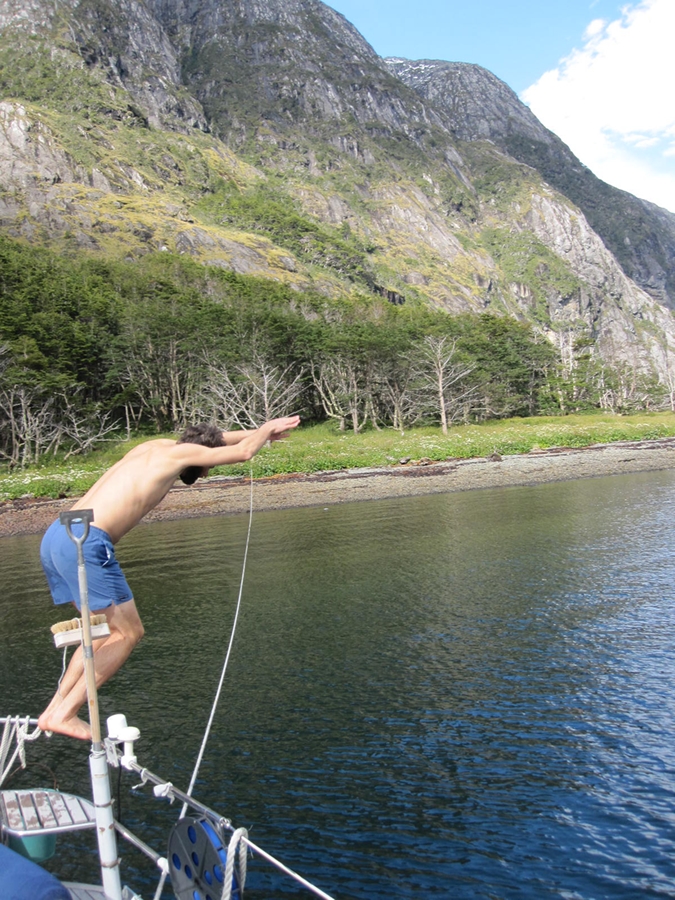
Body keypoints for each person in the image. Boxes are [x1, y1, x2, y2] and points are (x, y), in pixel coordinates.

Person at [38, 416, 301, 740]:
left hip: (59, 535)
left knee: (101, 634)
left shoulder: (156, 446)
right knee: (128, 633)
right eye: (207, 466)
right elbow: (244, 452)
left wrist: (263, 433)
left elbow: (219, 438)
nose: (206, 472)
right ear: (200, 455)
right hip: (88, 541)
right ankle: (64, 713)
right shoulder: (181, 455)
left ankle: (54, 711)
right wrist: (265, 429)